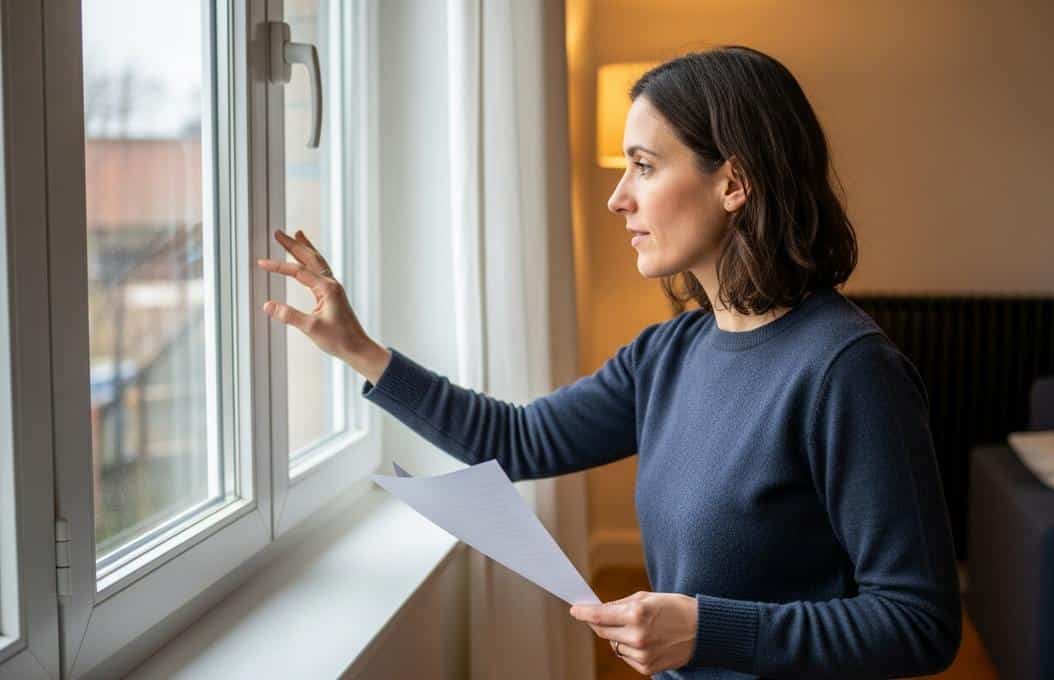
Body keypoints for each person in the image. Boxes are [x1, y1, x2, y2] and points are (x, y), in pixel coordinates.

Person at [257, 45, 961, 680]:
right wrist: (357, 347)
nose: (616, 196)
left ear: (734, 184)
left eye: (645, 167)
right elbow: (518, 440)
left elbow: (919, 624)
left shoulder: (848, 371)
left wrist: (708, 629)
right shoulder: (670, 352)